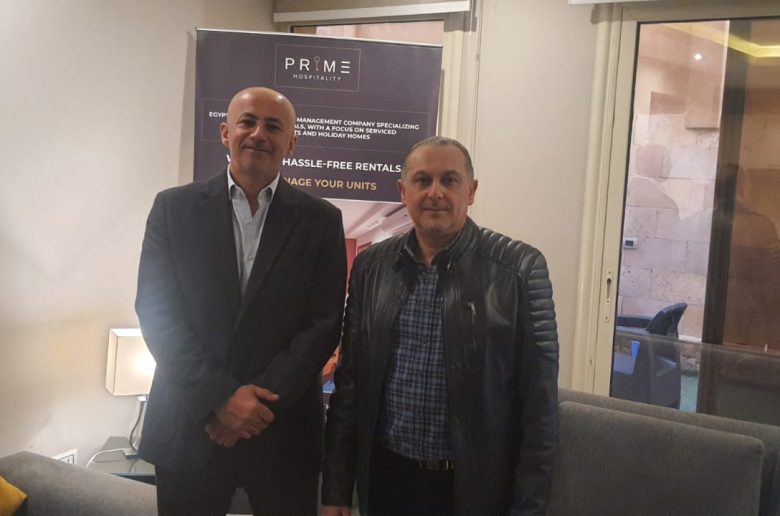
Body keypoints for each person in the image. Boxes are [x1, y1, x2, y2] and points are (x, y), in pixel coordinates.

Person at [136, 86, 347, 515]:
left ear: (291, 142)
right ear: (224, 132)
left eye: (274, 126)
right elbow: (158, 312)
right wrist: (219, 399)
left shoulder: (322, 221)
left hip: (282, 433)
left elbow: (324, 323)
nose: (258, 134)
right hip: (191, 425)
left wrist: (253, 407)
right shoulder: (172, 209)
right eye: (247, 122)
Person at [321, 136, 559, 516]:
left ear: (471, 191)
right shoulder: (371, 267)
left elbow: (540, 408)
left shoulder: (519, 270)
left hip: (473, 492)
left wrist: (528, 509)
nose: (435, 192)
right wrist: (335, 490)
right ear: (403, 191)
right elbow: (350, 384)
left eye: (449, 180)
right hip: (386, 482)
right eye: (422, 180)